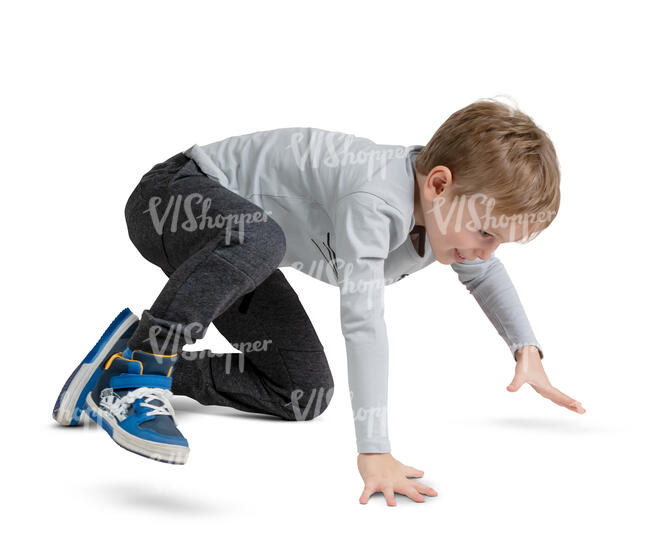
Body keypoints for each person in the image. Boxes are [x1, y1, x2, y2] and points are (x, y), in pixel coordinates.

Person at [52, 98, 585, 504]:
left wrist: (526, 347)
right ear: (439, 184)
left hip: (242, 252)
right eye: (487, 233)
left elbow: (485, 274)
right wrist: (374, 450)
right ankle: (140, 372)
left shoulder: (444, 214)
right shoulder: (375, 200)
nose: (485, 251)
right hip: (171, 200)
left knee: (303, 391)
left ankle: (117, 364)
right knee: (263, 238)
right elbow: (364, 322)